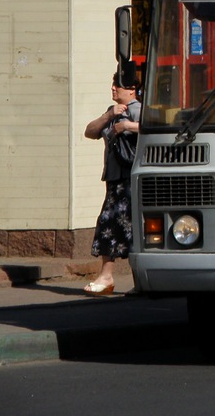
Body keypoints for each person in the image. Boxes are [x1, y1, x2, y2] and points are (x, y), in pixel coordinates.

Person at [83, 67, 141, 295]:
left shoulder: (138, 110)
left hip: (132, 180)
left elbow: (155, 129)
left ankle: (131, 279)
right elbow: (90, 131)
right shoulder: (112, 111)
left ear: (132, 90)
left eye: (118, 85)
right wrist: (109, 116)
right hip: (114, 180)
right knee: (111, 224)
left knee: (130, 228)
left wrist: (127, 125)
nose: (113, 89)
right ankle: (109, 276)